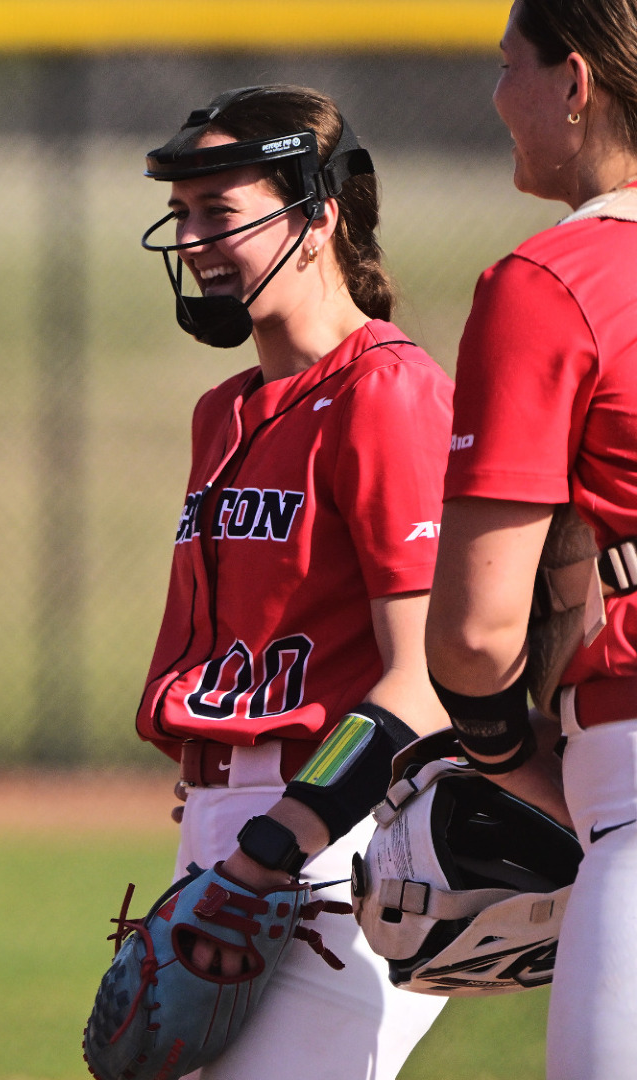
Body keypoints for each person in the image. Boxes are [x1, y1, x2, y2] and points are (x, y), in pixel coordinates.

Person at [131, 85, 452, 1078]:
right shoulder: (224, 413)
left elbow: (426, 678)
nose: (192, 240)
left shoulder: (387, 392)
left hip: (340, 840)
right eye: (182, 216)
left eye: (220, 213)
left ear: (316, 216)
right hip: (232, 840)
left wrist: (277, 839)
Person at [423, 0, 637, 1074]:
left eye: (511, 66)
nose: (500, 96)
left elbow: (472, 631)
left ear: (576, 82)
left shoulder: (550, 284)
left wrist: (511, 759)